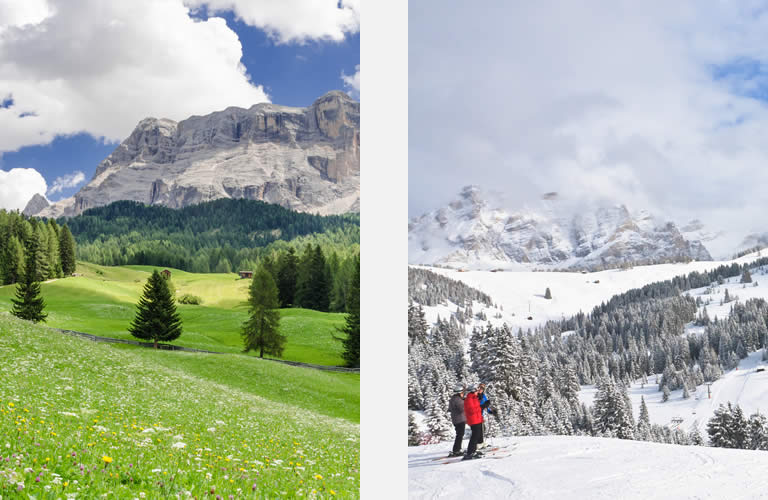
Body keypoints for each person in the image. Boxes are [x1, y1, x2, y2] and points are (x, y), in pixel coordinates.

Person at [462, 385, 484, 460]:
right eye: (476, 391)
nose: (477, 392)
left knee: (476, 436)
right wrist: (482, 407)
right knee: (474, 436)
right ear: (473, 391)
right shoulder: (469, 399)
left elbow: (476, 408)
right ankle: (470, 452)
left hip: (477, 419)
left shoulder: (474, 398)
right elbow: (472, 410)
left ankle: (473, 451)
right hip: (473, 420)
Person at [447, 385, 466, 457]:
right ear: (459, 392)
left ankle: (457, 449)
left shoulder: (453, 399)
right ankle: (456, 450)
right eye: (462, 392)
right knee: (460, 435)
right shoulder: (458, 400)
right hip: (459, 419)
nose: (463, 394)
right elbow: (462, 409)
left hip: (456, 419)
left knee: (459, 434)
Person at [476, 382, 492, 449]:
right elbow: (476, 406)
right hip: (476, 415)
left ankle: (481, 442)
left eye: (482, 388)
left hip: (481, 415)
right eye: (479, 387)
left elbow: (486, 405)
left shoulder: (483, 396)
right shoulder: (476, 396)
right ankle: (478, 443)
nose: (480, 389)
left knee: (482, 429)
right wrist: (484, 405)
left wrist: (490, 411)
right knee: (478, 429)